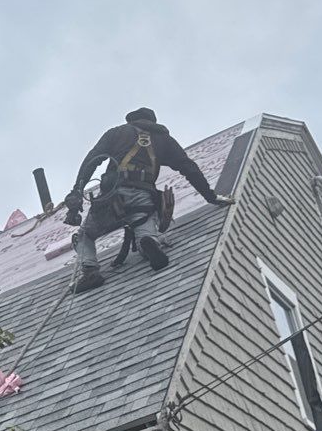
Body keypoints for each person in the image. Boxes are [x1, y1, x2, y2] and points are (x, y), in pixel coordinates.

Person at [62, 107, 232, 293]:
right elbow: (188, 167)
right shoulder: (164, 140)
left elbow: (92, 160)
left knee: (84, 236)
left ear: (131, 121)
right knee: (143, 225)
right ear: (153, 122)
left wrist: (77, 190)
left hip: (111, 199)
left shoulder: (117, 133)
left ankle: (90, 270)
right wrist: (211, 197)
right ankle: (148, 241)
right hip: (142, 198)